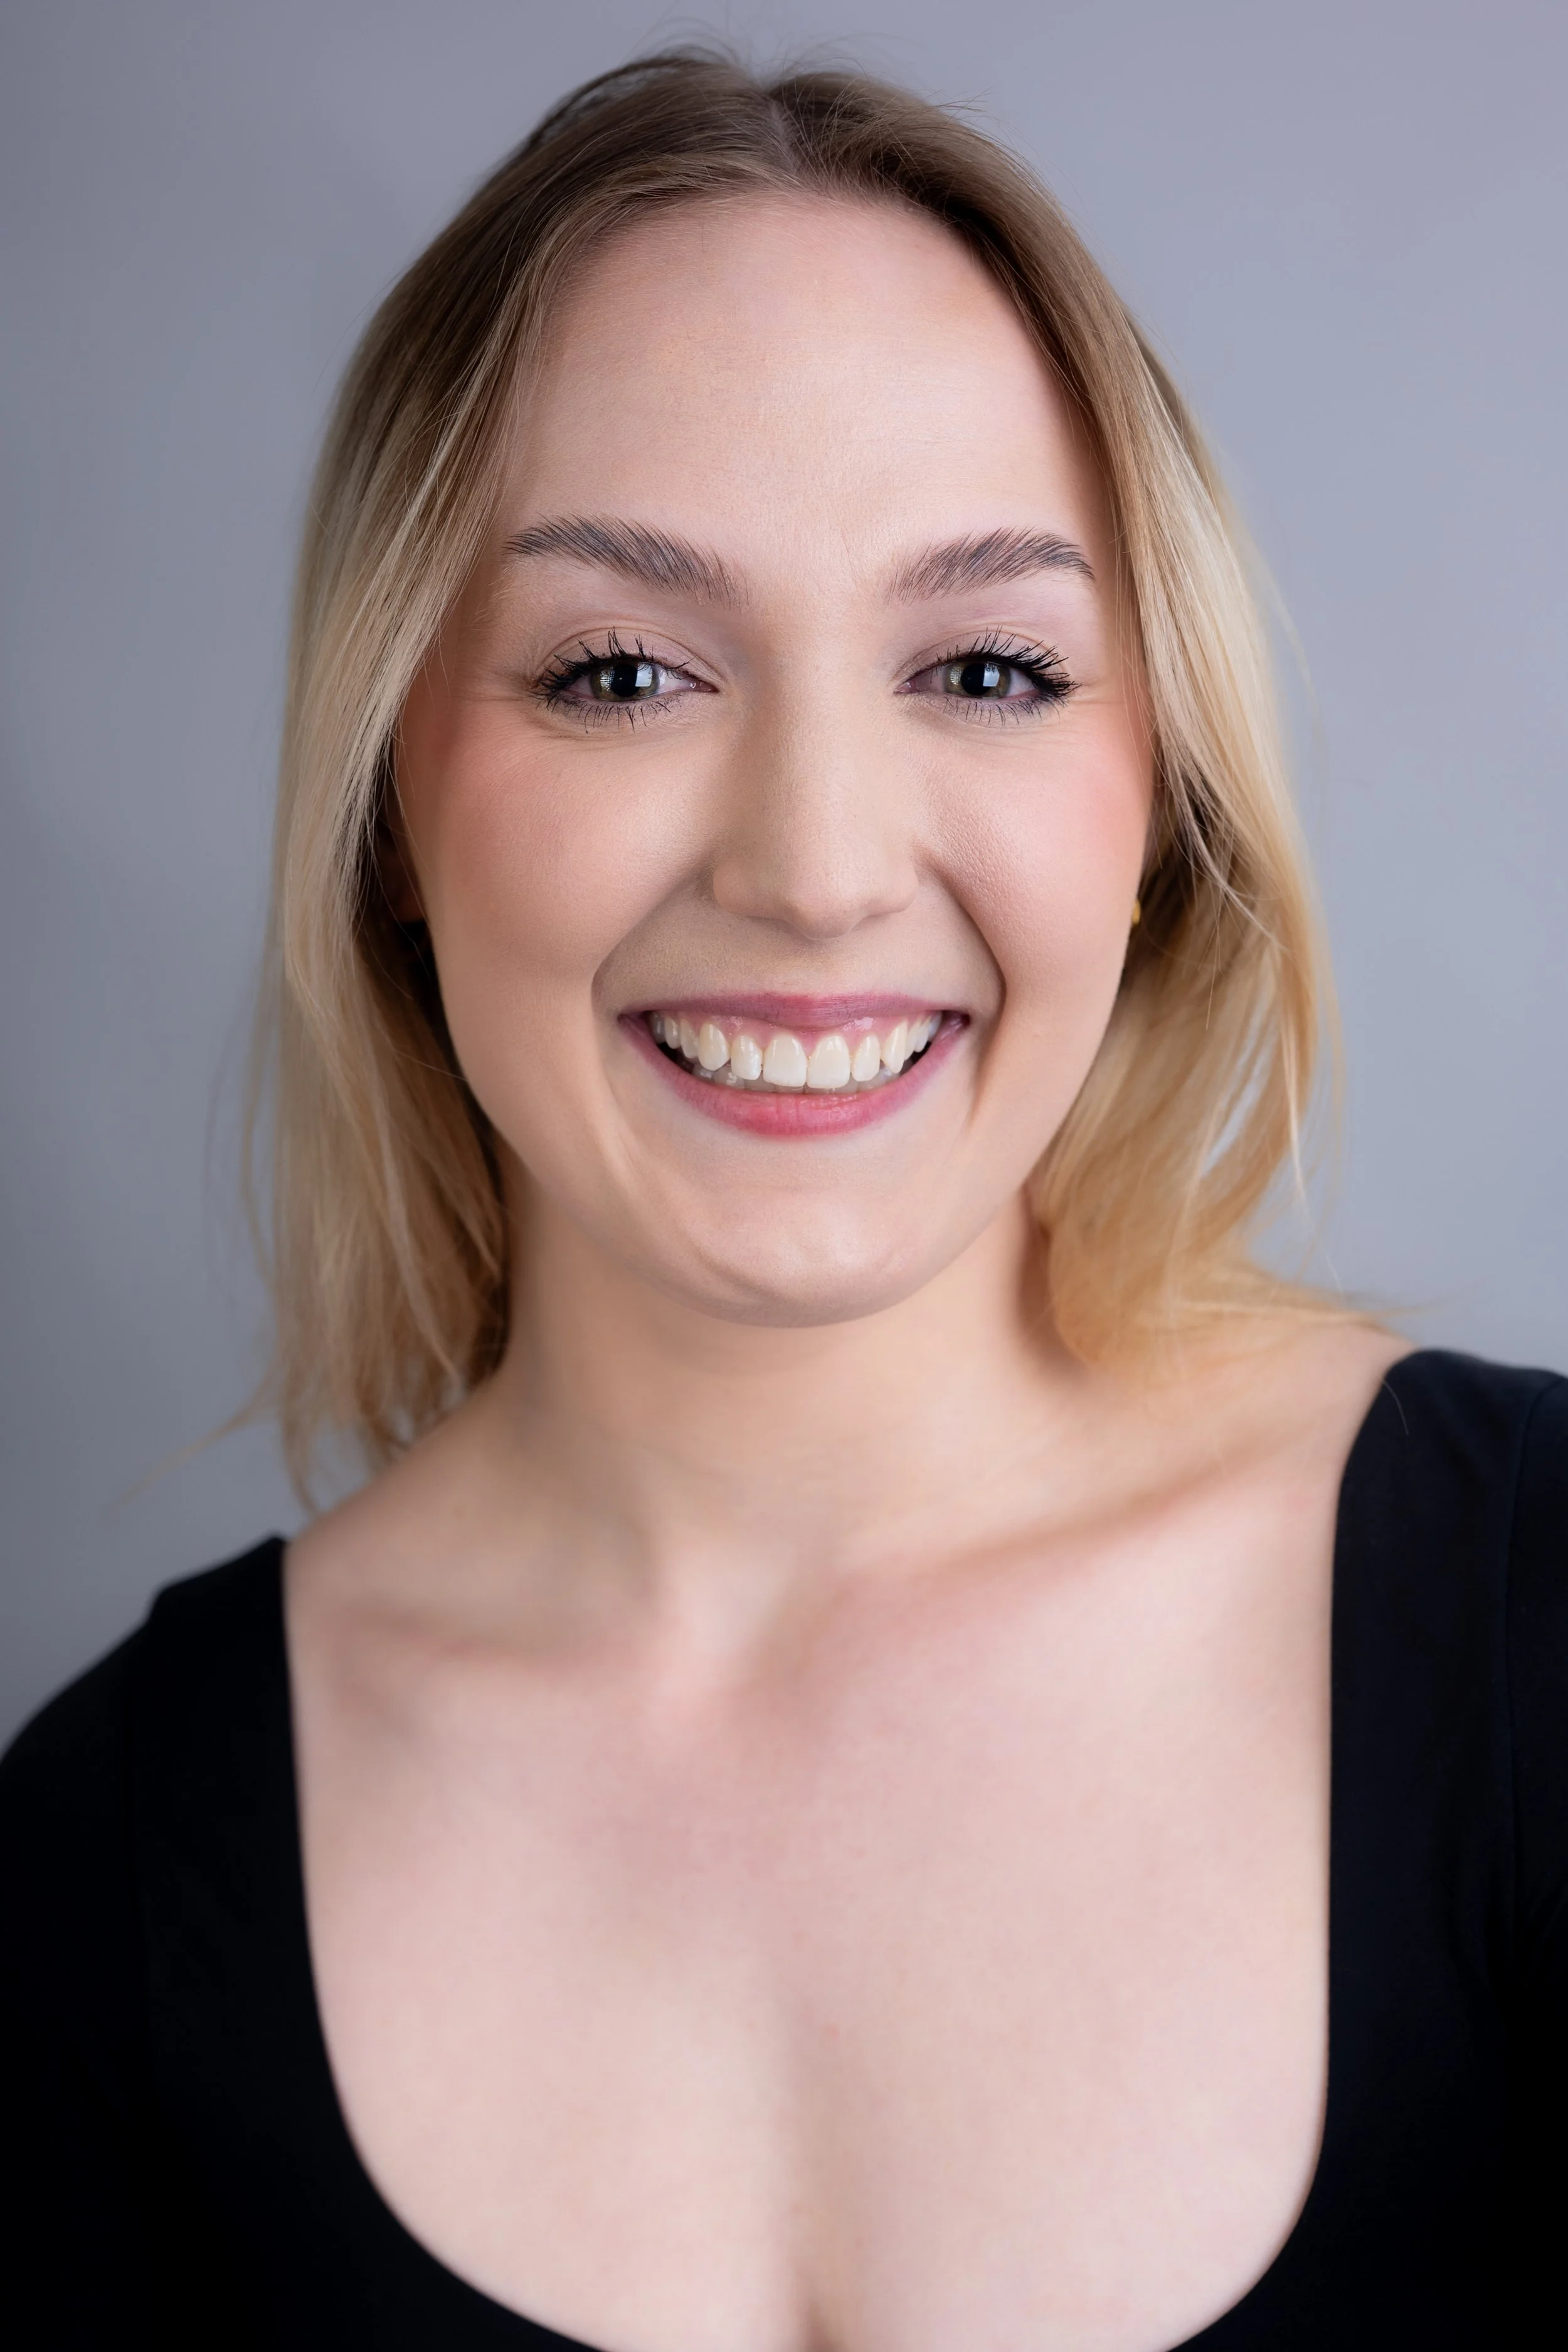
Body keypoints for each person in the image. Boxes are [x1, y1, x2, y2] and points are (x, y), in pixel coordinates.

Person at [2, 49, 1564, 2352]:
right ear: (391, 804)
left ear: (1156, 807)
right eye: (622, 671)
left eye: (987, 666)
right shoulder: (94, 1877)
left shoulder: (1541, 1620)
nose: (818, 866)